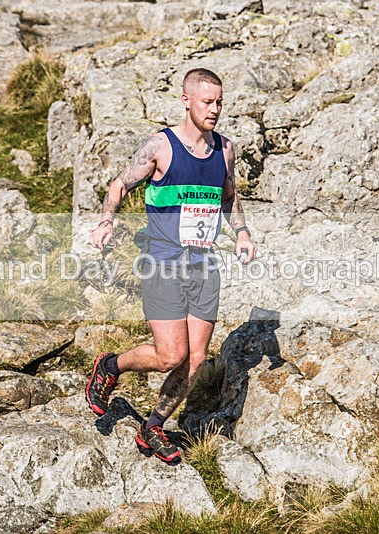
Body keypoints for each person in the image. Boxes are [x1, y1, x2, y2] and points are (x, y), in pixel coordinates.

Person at [85, 67, 256, 463]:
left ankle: (154, 426)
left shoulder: (225, 150)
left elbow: (228, 197)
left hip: (203, 266)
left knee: (195, 360)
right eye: (206, 102)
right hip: (162, 262)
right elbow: (120, 184)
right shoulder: (160, 147)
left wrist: (243, 233)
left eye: (219, 103)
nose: (214, 110)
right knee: (169, 356)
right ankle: (110, 366)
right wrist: (107, 219)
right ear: (186, 101)